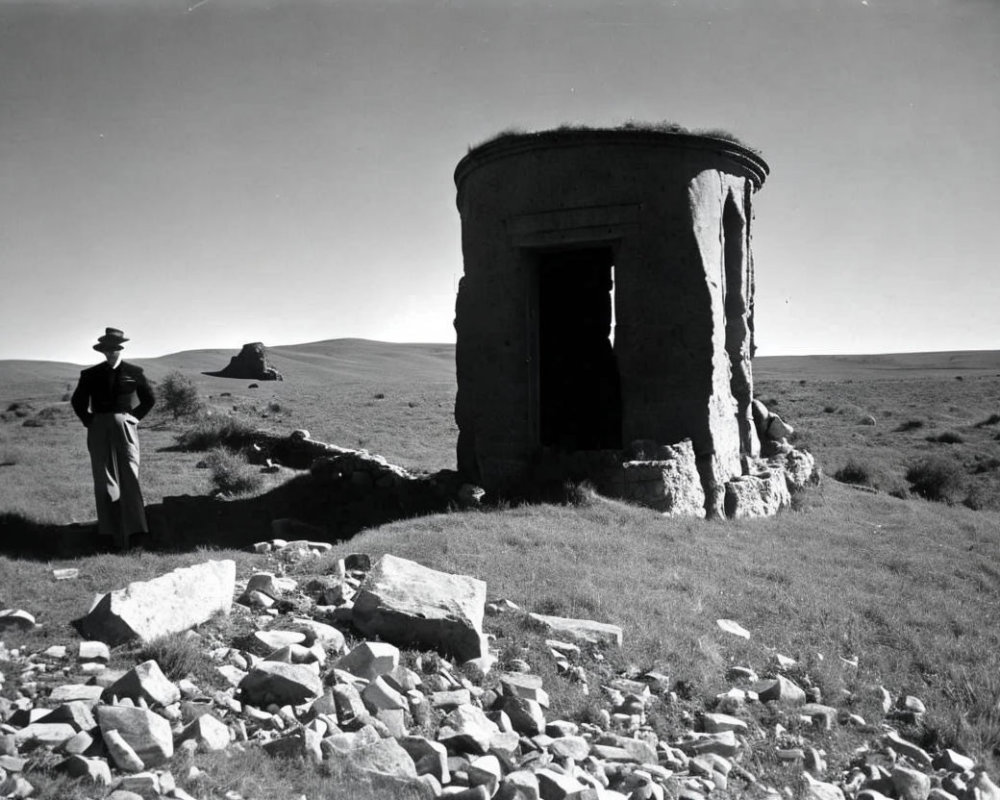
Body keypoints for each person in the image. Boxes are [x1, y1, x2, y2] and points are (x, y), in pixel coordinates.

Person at [71, 328, 156, 550]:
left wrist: (133, 418)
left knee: (130, 474)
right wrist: (89, 421)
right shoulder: (89, 375)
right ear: (103, 351)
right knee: (103, 476)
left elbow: (149, 399)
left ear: (121, 348)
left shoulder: (134, 372)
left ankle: (137, 533)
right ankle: (109, 534)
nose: (111, 353)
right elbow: (78, 401)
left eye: (114, 348)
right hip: (99, 425)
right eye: (107, 349)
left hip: (124, 424)